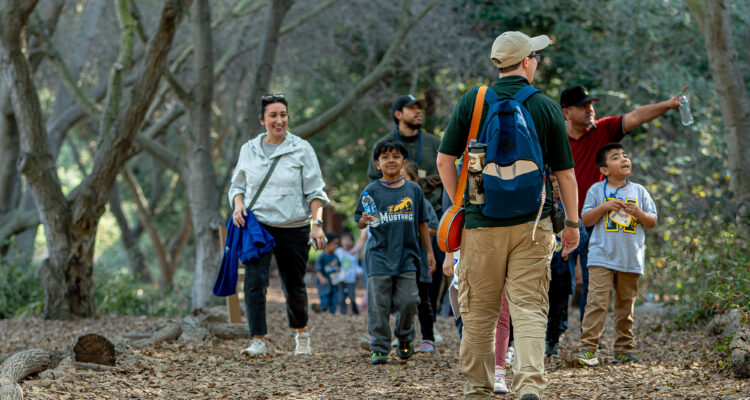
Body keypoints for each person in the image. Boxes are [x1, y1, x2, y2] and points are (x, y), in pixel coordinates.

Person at [437, 31, 580, 400]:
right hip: (533, 224)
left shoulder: (474, 100)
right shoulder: (545, 106)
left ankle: (478, 388)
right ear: (528, 61)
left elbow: (443, 159)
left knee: (480, 312)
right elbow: (565, 173)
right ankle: (529, 385)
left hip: (481, 223)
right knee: (530, 307)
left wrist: (461, 205)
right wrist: (573, 225)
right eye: (536, 56)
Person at [561, 85, 681, 322]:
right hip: (562, 219)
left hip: (594, 219)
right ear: (566, 112)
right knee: (557, 280)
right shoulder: (555, 139)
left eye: (590, 104)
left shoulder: (604, 130)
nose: (590, 109)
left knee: (592, 281)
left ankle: (589, 340)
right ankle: (552, 338)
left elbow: (635, 117)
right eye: (582, 106)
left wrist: (668, 104)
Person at [229, 94, 329, 357]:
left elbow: (316, 192)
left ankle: (301, 335)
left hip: (293, 225)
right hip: (258, 226)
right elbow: (238, 185)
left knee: (294, 284)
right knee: (254, 282)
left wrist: (316, 225)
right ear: (262, 120)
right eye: (273, 115)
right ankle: (258, 340)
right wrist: (238, 204)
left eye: (283, 114)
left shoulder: (302, 148)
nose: (279, 120)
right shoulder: (248, 150)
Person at [572, 143, 657, 367]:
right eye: (616, 157)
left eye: (625, 156)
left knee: (625, 307)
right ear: (605, 170)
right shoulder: (596, 191)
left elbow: (652, 221)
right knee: (597, 303)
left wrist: (638, 212)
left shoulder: (639, 191)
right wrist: (605, 207)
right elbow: (586, 220)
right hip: (601, 256)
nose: (624, 159)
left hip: (631, 258)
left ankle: (624, 350)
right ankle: (588, 350)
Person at [367, 95, 447, 323]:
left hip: (433, 214)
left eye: (419, 108)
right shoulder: (384, 144)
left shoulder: (433, 142)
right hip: (396, 218)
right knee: (398, 271)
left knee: (434, 269)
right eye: (411, 108)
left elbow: (446, 174)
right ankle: (399, 321)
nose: (418, 112)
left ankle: (430, 325)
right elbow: (373, 182)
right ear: (398, 114)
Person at [355, 140, 436, 365]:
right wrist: (364, 219)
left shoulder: (413, 190)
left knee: (410, 300)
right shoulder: (371, 190)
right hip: (379, 256)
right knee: (378, 305)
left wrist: (429, 253)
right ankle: (379, 347)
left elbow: (422, 223)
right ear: (378, 163)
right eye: (386, 157)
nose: (391, 160)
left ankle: (404, 336)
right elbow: (360, 222)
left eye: (396, 156)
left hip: (407, 256)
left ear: (404, 162)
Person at [401, 162, 439, 353]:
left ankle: (428, 339)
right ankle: (402, 337)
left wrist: (416, 228)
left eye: (404, 178)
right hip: (399, 260)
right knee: (401, 300)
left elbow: (434, 228)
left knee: (423, 301)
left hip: (421, 260)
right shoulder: (391, 201)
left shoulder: (422, 203)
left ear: (414, 181)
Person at [334, 231, 364, 315]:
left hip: (351, 278)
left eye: (349, 240)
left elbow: (355, 265)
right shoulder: (337, 251)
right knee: (341, 296)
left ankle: (355, 311)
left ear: (352, 242)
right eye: (345, 240)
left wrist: (359, 272)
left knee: (352, 296)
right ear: (341, 241)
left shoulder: (354, 252)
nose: (347, 242)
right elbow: (335, 263)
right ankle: (343, 312)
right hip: (340, 278)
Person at [315, 233, 340, 314]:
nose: (336, 246)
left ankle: (331, 315)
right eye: (334, 243)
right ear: (327, 244)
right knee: (325, 301)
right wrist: (321, 278)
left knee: (334, 301)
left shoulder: (335, 257)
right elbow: (317, 270)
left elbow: (339, 267)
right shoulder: (321, 257)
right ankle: (322, 313)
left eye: (337, 244)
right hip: (324, 286)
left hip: (334, 284)